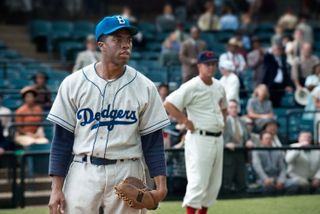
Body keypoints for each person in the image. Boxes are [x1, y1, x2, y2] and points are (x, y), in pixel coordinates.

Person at [47, 15, 170, 214]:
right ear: (101, 44)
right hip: (83, 169)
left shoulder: (145, 86)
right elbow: (62, 140)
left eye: (128, 40)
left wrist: (161, 187)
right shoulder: (73, 83)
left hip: (127, 171)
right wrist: (56, 189)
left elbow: (153, 141)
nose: (125, 45)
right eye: (117, 39)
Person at [164, 50, 227, 214]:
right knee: (198, 181)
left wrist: (223, 122)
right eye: (207, 64)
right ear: (199, 66)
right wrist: (184, 121)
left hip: (217, 137)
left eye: (213, 64)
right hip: (199, 137)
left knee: (214, 183)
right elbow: (169, 103)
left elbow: (225, 107)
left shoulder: (219, 85)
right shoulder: (192, 85)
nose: (211, 67)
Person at [222, 100, 253, 193]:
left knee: (241, 181)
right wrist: (225, 144)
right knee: (227, 181)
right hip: (228, 154)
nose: (234, 109)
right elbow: (216, 138)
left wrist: (248, 141)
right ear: (227, 109)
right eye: (231, 107)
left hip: (241, 153)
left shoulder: (243, 122)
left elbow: (247, 136)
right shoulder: (223, 122)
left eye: (235, 107)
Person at [262, 43, 292, 107]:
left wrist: (288, 85)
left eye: (279, 50)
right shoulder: (270, 59)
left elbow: (286, 74)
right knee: (271, 103)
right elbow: (266, 56)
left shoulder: (283, 59)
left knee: (279, 103)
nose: (277, 51)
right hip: (271, 85)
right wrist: (272, 49)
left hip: (281, 86)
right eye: (275, 50)